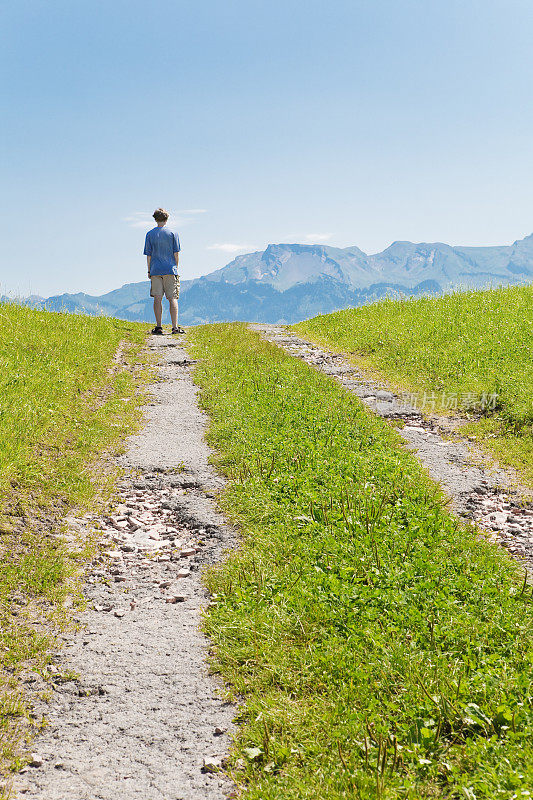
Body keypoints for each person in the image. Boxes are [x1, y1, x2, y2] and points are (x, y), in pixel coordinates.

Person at [143, 208, 185, 334]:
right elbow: (176, 253)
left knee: (157, 298)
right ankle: (175, 327)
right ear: (166, 219)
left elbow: (148, 255)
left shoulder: (150, 234)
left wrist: (149, 270)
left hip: (156, 270)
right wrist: (175, 268)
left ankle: (159, 326)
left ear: (155, 219)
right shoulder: (173, 233)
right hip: (170, 269)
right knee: (173, 298)